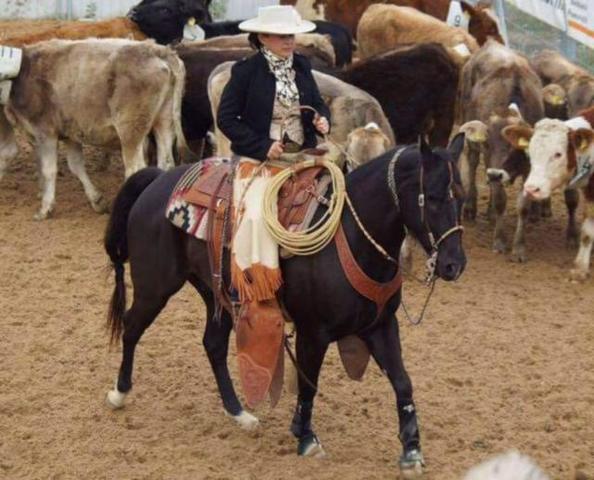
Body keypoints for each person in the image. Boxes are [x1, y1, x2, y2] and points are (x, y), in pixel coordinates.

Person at [217, 5, 331, 306]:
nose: (289, 41)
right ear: (263, 37)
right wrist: (262, 145)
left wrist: (322, 120)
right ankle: (250, 282)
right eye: (282, 36)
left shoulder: (302, 66)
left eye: (291, 35)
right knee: (256, 215)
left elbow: (317, 103)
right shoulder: (245, 71)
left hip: (303, 154)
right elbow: (226, 119)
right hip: (259, 160)